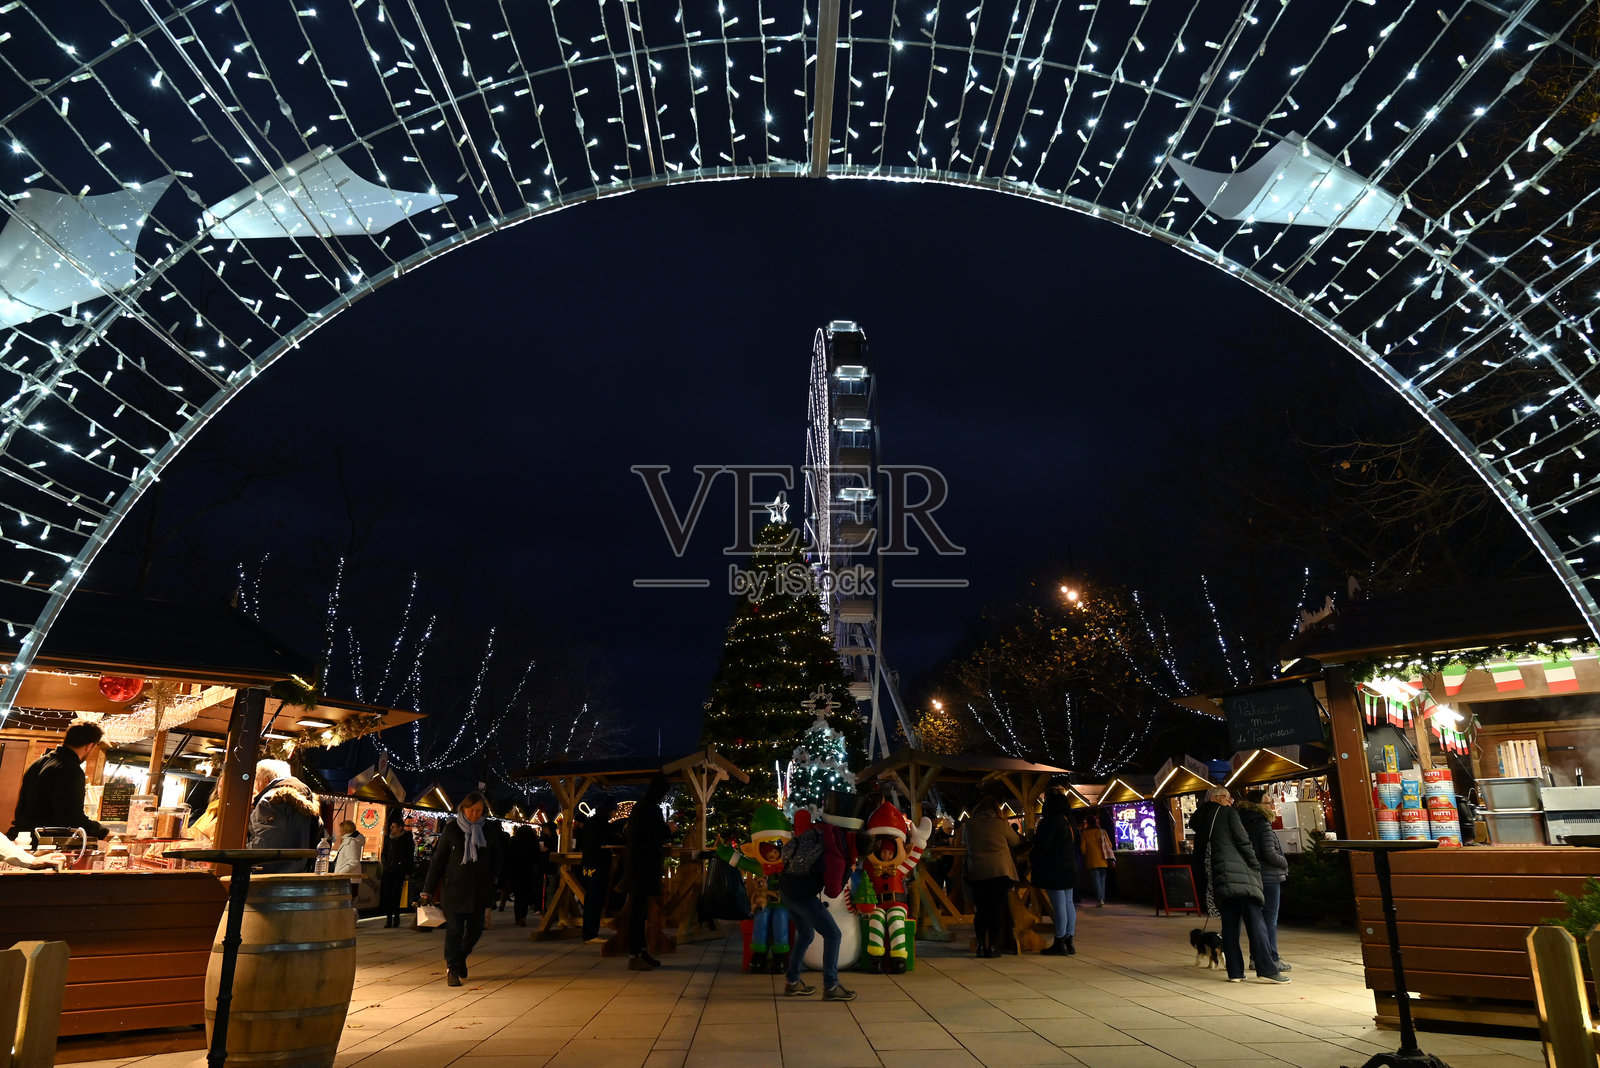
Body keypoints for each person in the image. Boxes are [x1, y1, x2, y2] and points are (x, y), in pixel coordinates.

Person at [1190, 787, 1288, 984]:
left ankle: (1235, 972)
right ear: (1216, 799)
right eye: (1227, 797)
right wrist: (1254, 865)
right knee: (1256, 923)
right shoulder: (1226, 813)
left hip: (1218, 879)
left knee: (1230, 926)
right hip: (1238, 874)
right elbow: (1243, 842)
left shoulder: (1200, 819)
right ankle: (1266, 969)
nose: (1231, 801)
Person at [779, 791, 862, 1002]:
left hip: (787, 889)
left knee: (806, 934)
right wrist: (849, 871)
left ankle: (792, 982)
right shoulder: (835, 852)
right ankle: (831, 986)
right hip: (802, 895)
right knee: (833, 935)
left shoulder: (817, 832)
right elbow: (833, 891)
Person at [421, 792, 499, 986]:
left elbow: (497, 858)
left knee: (475, 931)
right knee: (454, 930)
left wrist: (495, 879)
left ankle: (462, 955)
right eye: (471, 810)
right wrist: (427, 889)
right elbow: (438, 861)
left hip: (479, 889)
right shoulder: (452, 829)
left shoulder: (489, 830)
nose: (475, 814)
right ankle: (452, 968)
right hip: (455, 888)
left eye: (479, 811)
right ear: (464, 808)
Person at [8, 721, 110, 843]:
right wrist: (104, 833)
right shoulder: (70, 769)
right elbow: (71, 818)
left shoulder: (38, 763)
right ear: (89, 746)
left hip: (19, 839)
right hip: (43, 844)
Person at [621, 774, 672, 970]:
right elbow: (655, 835)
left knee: (639, 911)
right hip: (643, 866)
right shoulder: (650, 809)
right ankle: (635, 954)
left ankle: (641, 951)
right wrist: (668, 829)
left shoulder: (640, 807)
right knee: (637, 912)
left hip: (637, 866)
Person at [964, 793, 1021, 958]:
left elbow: (965, 844)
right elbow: (1015, 841)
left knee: (981, 910)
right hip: (999, 872)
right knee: (997, 909)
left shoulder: (969, 824)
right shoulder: (1000, 823)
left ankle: (981, 944)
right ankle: (994, 946)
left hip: (977, 872)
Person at [1239, 791, 1290, 974]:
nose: (1271, 805)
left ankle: (1257, 957)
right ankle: (1272, 958)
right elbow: (1269, 853)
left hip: (1253, 877)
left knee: (1257, 921)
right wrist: (1284, 861)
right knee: (1270, 920)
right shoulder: (1263, 824)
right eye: (1268, 802)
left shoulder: (1244, 822)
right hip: (1269, 877)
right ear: (1258, 805)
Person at [245, 759, 321, 873]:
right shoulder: (307, 799)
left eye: (255, 780)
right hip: (298, 875)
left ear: (265, 780)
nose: (254, 786)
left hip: (268, 878)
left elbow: (265, 846)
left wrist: (242, 852)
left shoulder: (271, 800)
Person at [1030, 791, 1080, 956]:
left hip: (1055, 867)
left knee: (1058, 905)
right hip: (1070, 865)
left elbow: (1044, 846)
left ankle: (1059, 941)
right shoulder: (1070, 821)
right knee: (1068, 903)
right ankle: (1068, 940)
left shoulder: (1050, 821)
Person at [578, 798, 619, 942]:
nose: (615, 813)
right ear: (609, 810)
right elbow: (613, 840)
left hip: (587, 863)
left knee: (589, 899)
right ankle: (591, 934)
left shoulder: (591, 822)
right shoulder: (603, 824)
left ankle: (588, 932)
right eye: (614, 810)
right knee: (596, 899)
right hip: (598, 864)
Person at [378, 819, 414, 928]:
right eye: (391, 826)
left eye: (393, 826)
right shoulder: (388, 838)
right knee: (387, 895)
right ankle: (389, 919)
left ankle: (396, 917)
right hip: (388, 870)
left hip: (399, 870)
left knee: (395, 895)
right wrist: (385, 863)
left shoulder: (406, 839)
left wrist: (408, 871)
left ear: (400, 828)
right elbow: (384, 853)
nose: (391, 828)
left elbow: (409, 856)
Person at [1077, 812, 1114, 906]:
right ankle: (1102, 898)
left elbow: (1083, 848)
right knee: (1102, 879)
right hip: (1103, 859)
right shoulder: (1102, 831)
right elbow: (1110, 845)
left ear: (1088, 823)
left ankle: (1100, 899)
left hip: (1092, 860)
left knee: (1096, 880)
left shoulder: (1085, 833)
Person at [506, 825, 539, 926]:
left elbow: (509, 856)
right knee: (525, 896)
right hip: (528, 871)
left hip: (516, 870)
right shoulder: (533, 843)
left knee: (518, 895)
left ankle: (517, 917)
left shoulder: (514, 842)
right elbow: (536, 857)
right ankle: (523, 916)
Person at [333, 819, 364, 899]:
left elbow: (353, 862)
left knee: (345, 904)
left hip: (348, 880)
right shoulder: (350, 841)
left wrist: (340, 873)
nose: (339, 831)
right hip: (348, 879)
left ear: (344, 830)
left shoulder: (350, 842)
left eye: (340, 829)